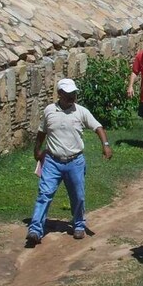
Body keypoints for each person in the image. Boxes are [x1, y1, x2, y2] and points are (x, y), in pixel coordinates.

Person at [27, 78, 113, 244]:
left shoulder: (81, 112)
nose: (72, 96)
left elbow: (98, 127)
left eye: (73, 93)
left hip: (75, 162)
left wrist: (106, 145)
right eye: (68, 94)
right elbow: (42, 132)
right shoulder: (49, 111)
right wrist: (37, 150)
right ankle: (35, 230)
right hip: (52, 161)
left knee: (78, 196)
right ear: (59, 94)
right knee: (44, 194)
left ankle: (79, 225)